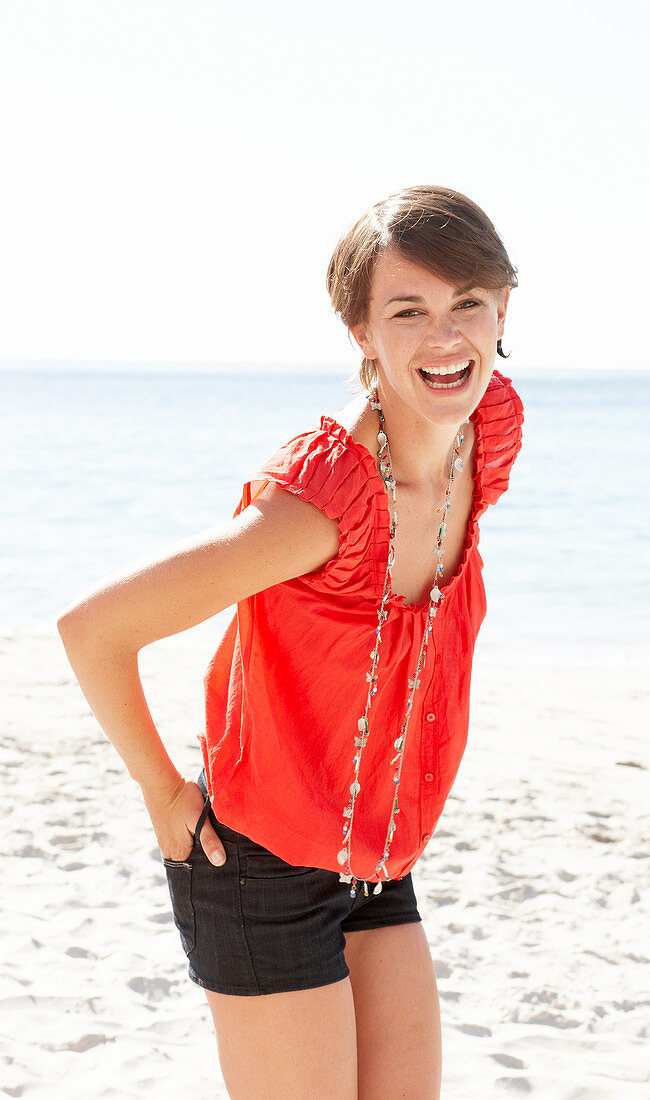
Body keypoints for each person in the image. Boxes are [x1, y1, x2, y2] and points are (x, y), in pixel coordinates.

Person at [57, 184, 524, 1100]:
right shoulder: (319, 506)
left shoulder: (486, 435)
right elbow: (95, 629)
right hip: (258, 864)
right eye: (408, 311)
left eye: (468, 303)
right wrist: (164, 793)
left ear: (504, 307)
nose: (445, 337)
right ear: (360, 332)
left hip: (380, 858)